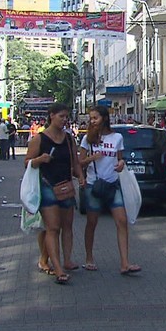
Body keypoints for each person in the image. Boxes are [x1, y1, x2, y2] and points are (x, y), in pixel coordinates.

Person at [24, 103, 84, 284]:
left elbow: (75, 162)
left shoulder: (68, 139)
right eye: (61, 116)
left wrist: (81, 177)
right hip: (47, 186)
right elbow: (27, 162)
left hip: (65, 186)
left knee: (67, 226)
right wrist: (39, 160)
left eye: (66, 117)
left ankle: (67, 260)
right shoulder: (40, 139)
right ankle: (57, 268)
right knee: (53, 227)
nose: (65, 120)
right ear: (52, 116)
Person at [79, 105, 140, 275]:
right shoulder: (87, 139)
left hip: (113, 184)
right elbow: (79, 162)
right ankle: (89, 258)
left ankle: (124, 263)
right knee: (92, 222)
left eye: (95, 118)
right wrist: (91, 158)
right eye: (91, 118)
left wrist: (121, 164)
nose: (92, 121)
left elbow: (120, 160)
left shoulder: (117, 137)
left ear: (104, 118)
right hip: (94, 185)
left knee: (122, 221)